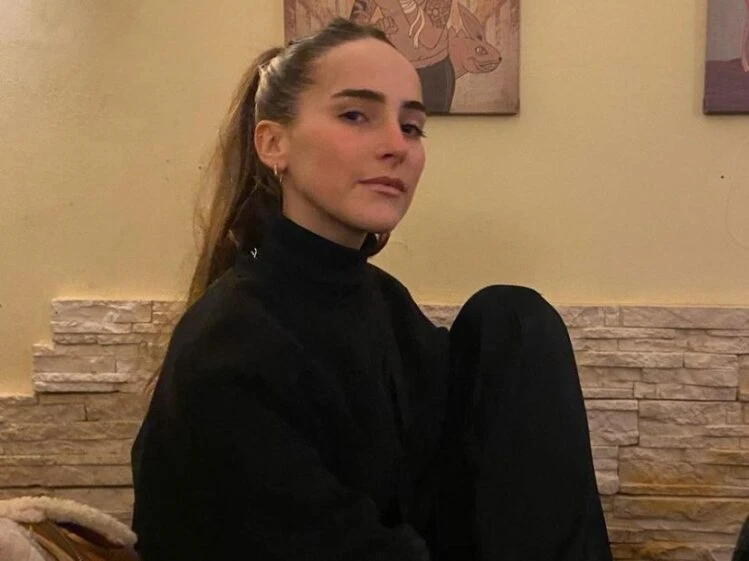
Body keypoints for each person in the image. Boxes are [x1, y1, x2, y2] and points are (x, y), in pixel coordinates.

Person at [130, 17, 613, 561]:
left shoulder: (383, 302)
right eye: (355, 115)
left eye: (411, 126)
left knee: (514, 320)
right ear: (273, 143)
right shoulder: (228, 344)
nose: (396, 146)